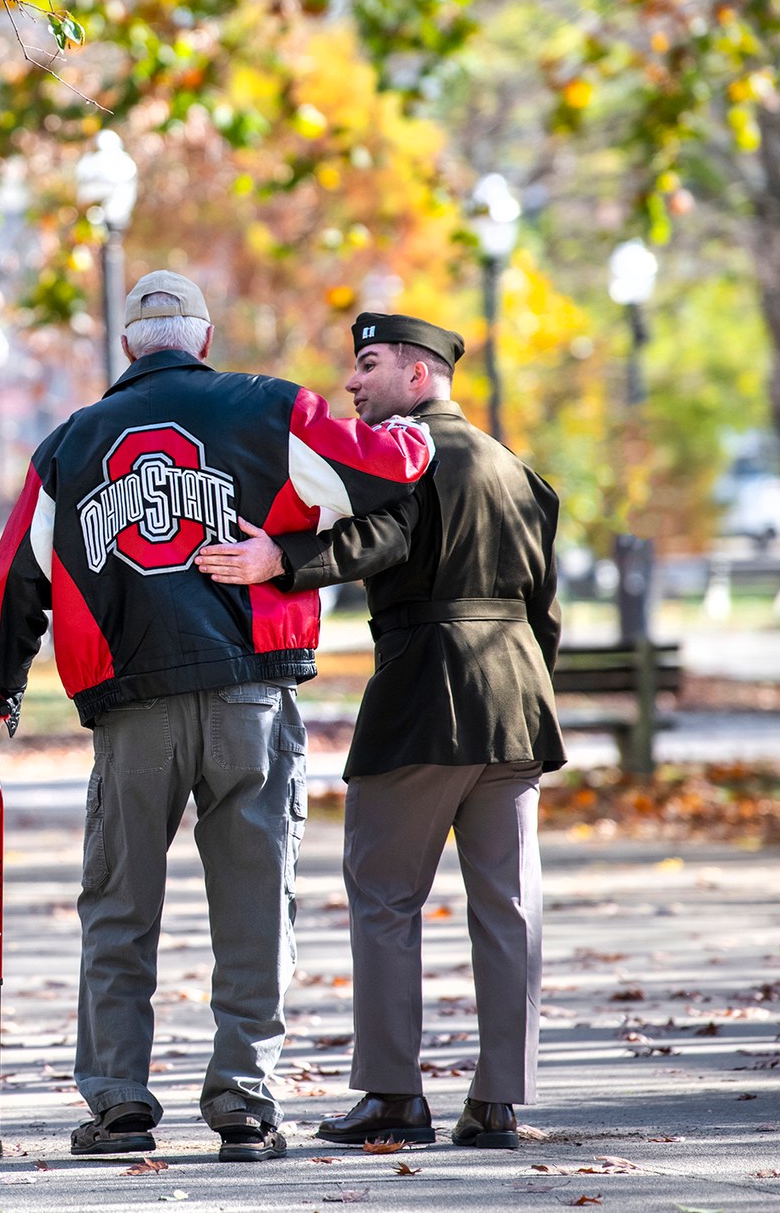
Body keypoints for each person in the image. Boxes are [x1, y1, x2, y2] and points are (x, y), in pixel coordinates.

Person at [0, 272, 435, 1163]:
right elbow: (385, 467)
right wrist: (411, 431)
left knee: (118, 907)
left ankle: (118, 1106)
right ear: (206, 338)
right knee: (257, 902)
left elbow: (11, 581)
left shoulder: (68, 446)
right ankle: (246, 1105)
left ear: (129, 350)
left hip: (129, 704)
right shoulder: (271, 408)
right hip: (250, 699)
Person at [198, 311, 564, 1152]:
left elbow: (382, 534)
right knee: (508, 906)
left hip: (424, 700)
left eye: (368, 365)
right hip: (518, 707)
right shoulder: (518, 470)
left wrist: (281, 560)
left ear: (419, 374)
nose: (354, 383)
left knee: (386, 898)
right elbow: (545, 613)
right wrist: (531, 693)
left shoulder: (409, 451)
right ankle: (500, 1099)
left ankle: (396, 1094)